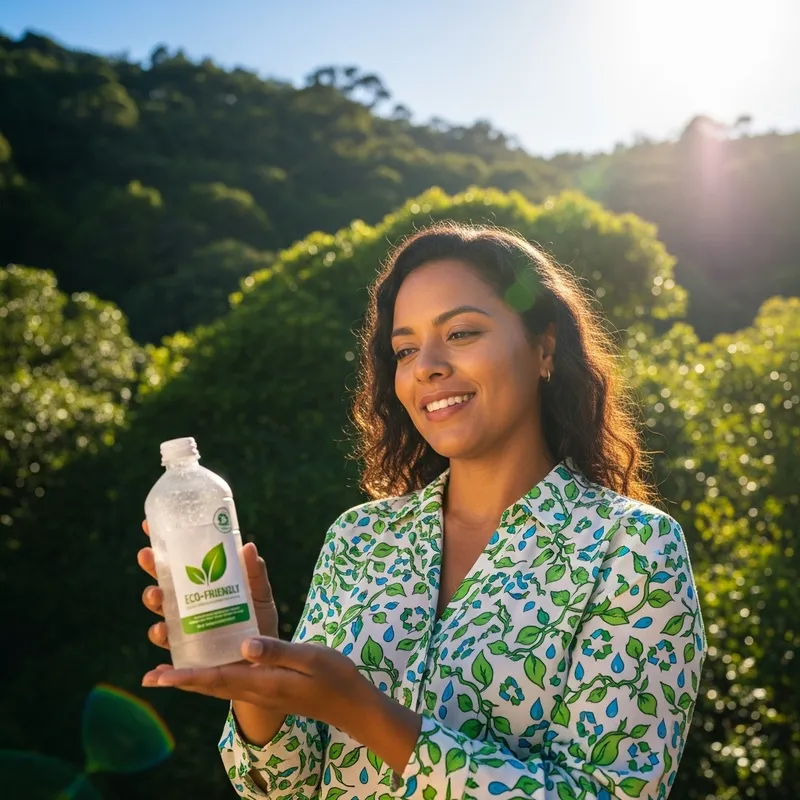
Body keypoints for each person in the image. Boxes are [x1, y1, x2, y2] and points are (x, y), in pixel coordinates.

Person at [138, 223, 707, 799]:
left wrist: (363, 711)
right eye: (405, 349)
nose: (426, 367)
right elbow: (283, 787)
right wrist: (260, 680)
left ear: (545, 347)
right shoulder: (360, 538)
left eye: (460, 332)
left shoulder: (633, 549)